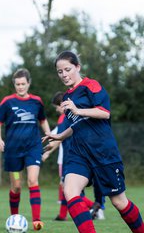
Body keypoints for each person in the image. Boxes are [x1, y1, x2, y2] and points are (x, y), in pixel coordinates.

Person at [43, 51, 144, 233]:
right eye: (60, 72)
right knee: (70, 190)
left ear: (77, 67)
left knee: (119, 202)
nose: (64, 74)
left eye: (67, 69)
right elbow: (76, 125)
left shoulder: (91, 85)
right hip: (80, 153)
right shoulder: (67, 97)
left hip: (103, 153)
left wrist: (78, 110)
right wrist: (59, 137)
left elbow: (104, 112)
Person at [0, 68, 51, 231]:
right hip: (13, 151)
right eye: (17, 84)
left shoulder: (36, 101)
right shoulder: (7, 102)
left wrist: (49, 134)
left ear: (28, 84)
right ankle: (14, 219)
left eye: (23, 84)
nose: (20, 87)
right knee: (17, 185)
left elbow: (43, 120)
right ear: (14, 85)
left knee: (33, 180)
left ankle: (37, 221)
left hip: (33, 148)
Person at [42, 91, 102, 221]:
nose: (57, 110)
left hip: (71, 156)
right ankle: (64, 215)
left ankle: (93, 206)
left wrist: (48, 152)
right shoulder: (71, 116)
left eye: (57, 107)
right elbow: (60, 136)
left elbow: (60, 137)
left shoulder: (66, 117)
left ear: (61, 104)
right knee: (68, 187)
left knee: (70, 188)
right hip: (74, 155)